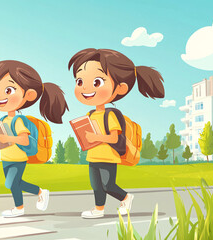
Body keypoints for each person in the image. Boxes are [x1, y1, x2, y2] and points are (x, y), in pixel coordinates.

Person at [68, 48, 165, 218]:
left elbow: (114, 137)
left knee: (108, 184)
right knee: (96, 185)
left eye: (97, 82)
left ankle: (126, 197)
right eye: (80, 81)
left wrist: (95, 137)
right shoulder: (90, 115)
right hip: (93, 155)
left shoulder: (110, 115)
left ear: (120, 88)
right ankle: (99, 210)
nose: (85, 88)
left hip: (108, 155)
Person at [0, 60, 69, 217]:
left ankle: (33, 197)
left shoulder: (19, 121)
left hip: (18, 158)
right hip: (6, 157)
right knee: (14, 185)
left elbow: (24, 140)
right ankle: (23, 205)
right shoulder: (3, 119)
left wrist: (7, 138)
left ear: (28, 95)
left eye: (8, 90)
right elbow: (1, 141)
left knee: (11, 183)